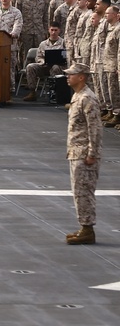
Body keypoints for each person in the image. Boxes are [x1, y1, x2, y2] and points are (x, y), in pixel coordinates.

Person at [64, 63, 102, 244]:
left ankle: (88, 230)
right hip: (76, 152)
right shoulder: (78, 96)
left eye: (71, 74)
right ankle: (84, 227)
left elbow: (95, 129)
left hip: (84, 154)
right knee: (78, 192)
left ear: (81, 77)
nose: (68, 77)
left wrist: (92, 153)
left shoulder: (88, 98)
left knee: (84, 192)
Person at [22, 25, 66, 101]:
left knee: (55, 67)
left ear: (59, 31)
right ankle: (32, 92)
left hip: (58, 66)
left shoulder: (63, 43)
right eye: (52, 30)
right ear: (49, 30)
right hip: (44, 66)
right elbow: (38, 57)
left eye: (55, 30)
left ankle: (55, 93)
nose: (53, 32)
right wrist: (43, 62)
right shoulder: (43, 44)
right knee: (30, 66)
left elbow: (67, 56)